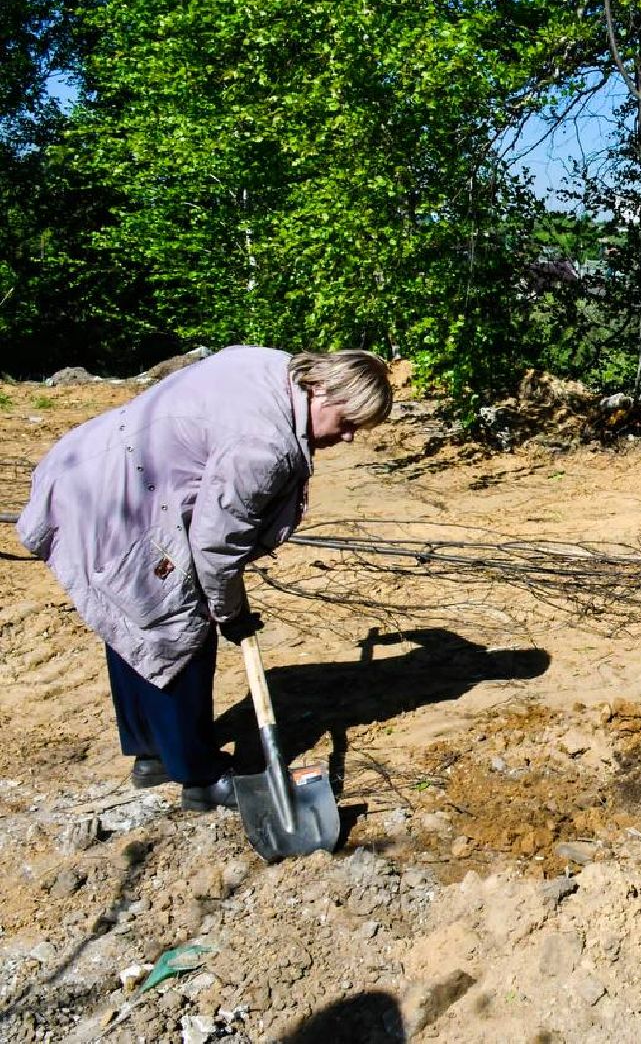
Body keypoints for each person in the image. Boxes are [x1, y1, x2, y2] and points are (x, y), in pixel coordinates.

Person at [17, 347, 393, 812]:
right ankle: (200, 776)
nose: (350, 436)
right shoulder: (265, 445)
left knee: (132, 613)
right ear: (321, 389)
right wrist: (229, 612)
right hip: (112, 497)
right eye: (349, 421)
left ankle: (153, 753)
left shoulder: (273, 366)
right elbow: (216, 547)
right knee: (178, 628)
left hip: (91, 468)